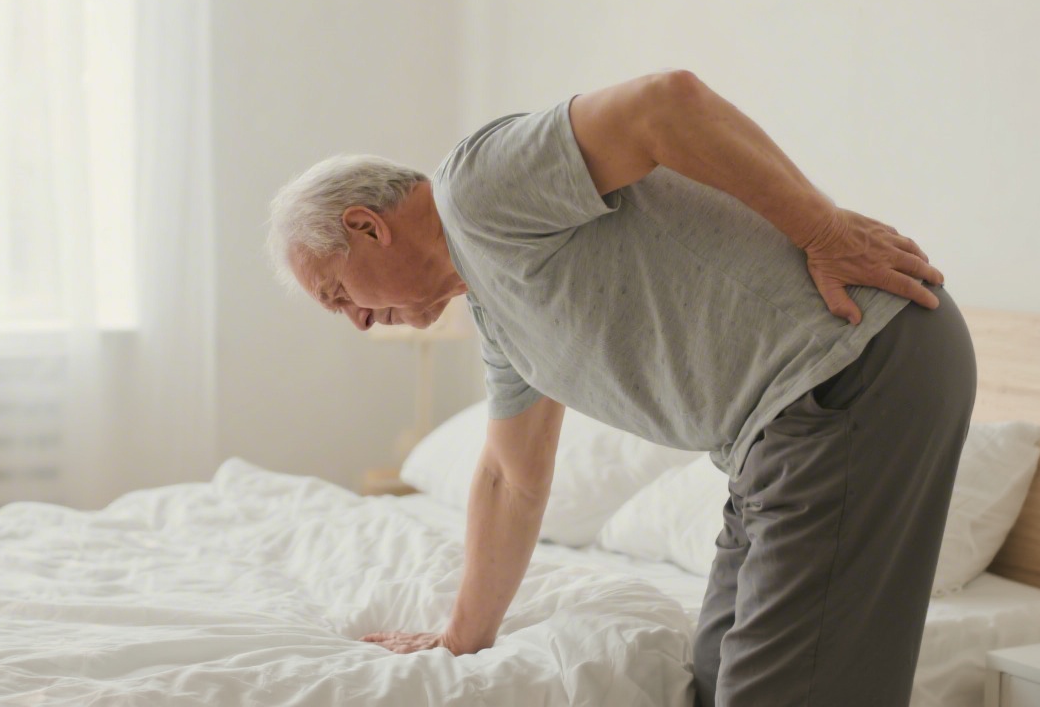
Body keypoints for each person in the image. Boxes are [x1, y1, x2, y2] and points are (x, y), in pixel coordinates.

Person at [265, 70, 976, 706]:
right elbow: (512, 478)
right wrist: (458, 639)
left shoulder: (475, 191)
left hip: (850, 368)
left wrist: (823, 229)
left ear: (366, 226)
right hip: (773, 438)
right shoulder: (501, 313)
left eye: (337, 295)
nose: (357, 323)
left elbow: (667, 104)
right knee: (713, 675)